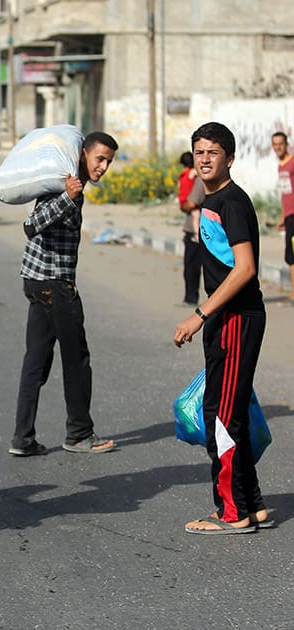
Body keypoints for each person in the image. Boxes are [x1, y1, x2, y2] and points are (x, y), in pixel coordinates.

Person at [174, 122, 270, 534]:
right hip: (227, 320)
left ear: (230, 158)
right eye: (199, 151)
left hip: (234, 319)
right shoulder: (212, 200)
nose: (205, 158)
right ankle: (254, 506)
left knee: (221, 417)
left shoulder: (230, 202)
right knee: (232, 414)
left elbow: (245, 269)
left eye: (213, 151)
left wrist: (199, 315)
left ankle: (232, 513)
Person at [9, 131, 119, 457]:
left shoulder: (72, 186)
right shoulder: (65, 184)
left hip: (36, 280)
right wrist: (68, 197)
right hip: (53, 284)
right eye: (99, 158)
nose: (103, 167)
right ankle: (79, 434)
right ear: (83, 153)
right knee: (77, 360)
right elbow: (32, 225)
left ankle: (22, 439)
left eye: (109, 162)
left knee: (36, 361)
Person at [271, 131, 294, 301]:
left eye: (280, 143)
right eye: (275, 144)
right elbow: (285, 193)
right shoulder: (281, 165)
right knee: (290, 255)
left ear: (287, 144)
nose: (278, 147)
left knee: (292, 255)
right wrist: (282, 216)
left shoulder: (292, 163)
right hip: (288, 215)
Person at [178, 151, 201, 305]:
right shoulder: (194, 176)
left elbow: (191, 204)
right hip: (193, 224)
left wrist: (184, 206)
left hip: (196, 230)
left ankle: (191, 297)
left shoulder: (198, 180)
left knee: (191, 266)